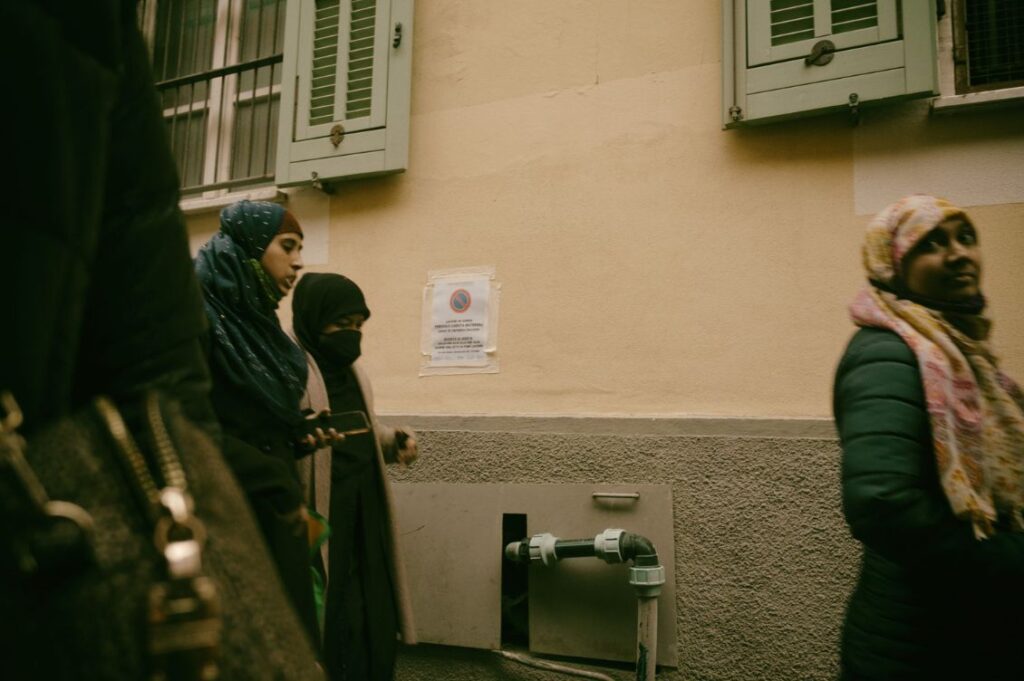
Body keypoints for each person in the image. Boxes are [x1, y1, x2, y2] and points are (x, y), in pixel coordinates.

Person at [3, 2, 323, 677]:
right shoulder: (217, 315)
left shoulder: (82, 26)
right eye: (286, 246)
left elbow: (166, 385)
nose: (298, 264)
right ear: (242, 253)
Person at [833, 194, 1024, 680]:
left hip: (959, 631)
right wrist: (1010, 559)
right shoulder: (888, 352)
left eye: (966, 237)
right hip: (919, 646)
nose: (959, 254)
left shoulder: (959, 349)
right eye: (932, 244)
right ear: (893, 264)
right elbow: (882, 501)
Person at [195, 200, 335, 645]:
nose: (298, 262)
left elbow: (252, 421)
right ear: (250, 248)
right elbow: (186, 425)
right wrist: (270, 474)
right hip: (222, 523)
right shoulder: (198, 319)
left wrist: (295, 433)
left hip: (271, 518)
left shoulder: (257, 323)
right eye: (287, 246)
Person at [291, 273, 419, 681]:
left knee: (371, 609)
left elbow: (361, 425)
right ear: (315, 319)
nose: (352, 336)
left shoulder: (354, 372)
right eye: (343, 325)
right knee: (332, 613)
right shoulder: (290, 368)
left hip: (365, 507)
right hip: (324, 511)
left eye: (359, 327)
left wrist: (391, 441)